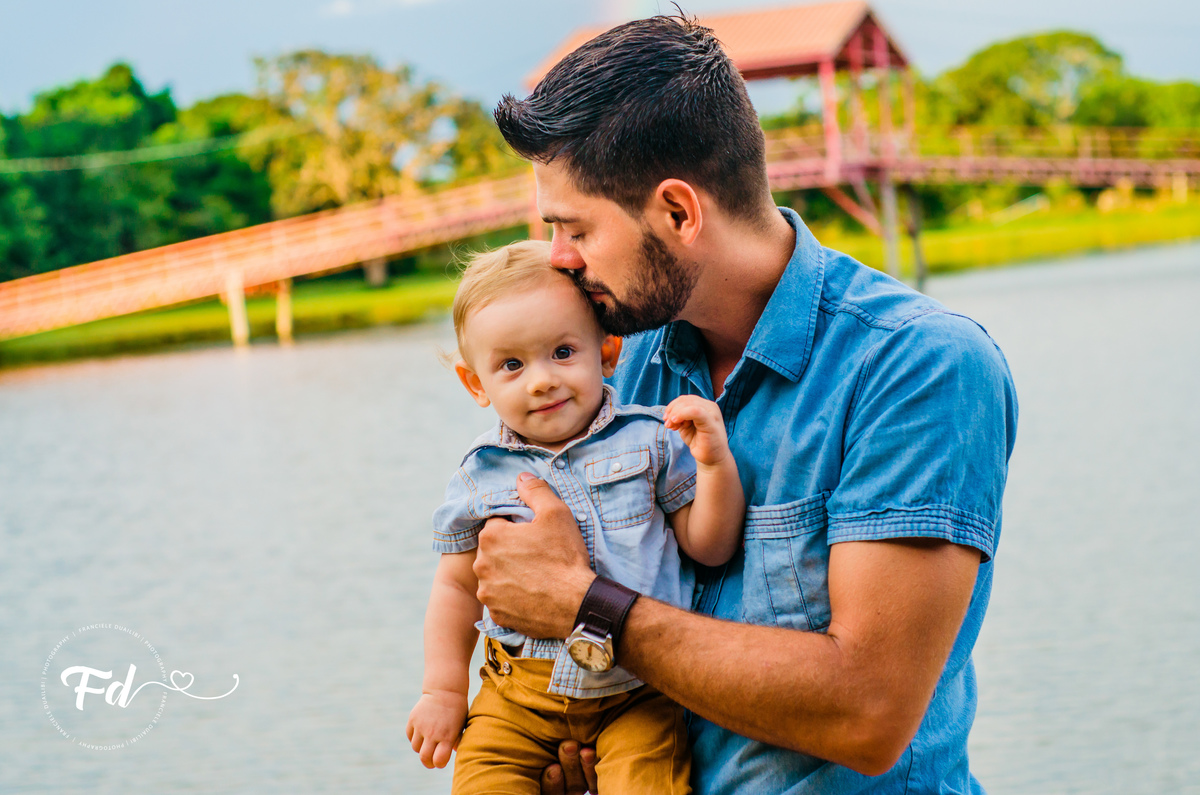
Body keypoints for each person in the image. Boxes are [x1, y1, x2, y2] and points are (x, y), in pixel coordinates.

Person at [474, 14, 1020, 795]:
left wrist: (585, 607)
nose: (558, 258)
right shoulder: (611, 367)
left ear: (678, 212)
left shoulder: (919, 366)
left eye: (574, 228)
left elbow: (867, 712)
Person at [405, 240, 745, 793]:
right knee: (485, 780)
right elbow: (455, 588)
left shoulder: (649, 439)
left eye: (563, 352)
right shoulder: (479, 475)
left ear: (607, 352)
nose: (541, 380)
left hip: (638, 692)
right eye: (511, 365)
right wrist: (443, 691)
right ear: (476, 385)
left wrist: (713, 464)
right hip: (516, 693)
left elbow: (709, 547)